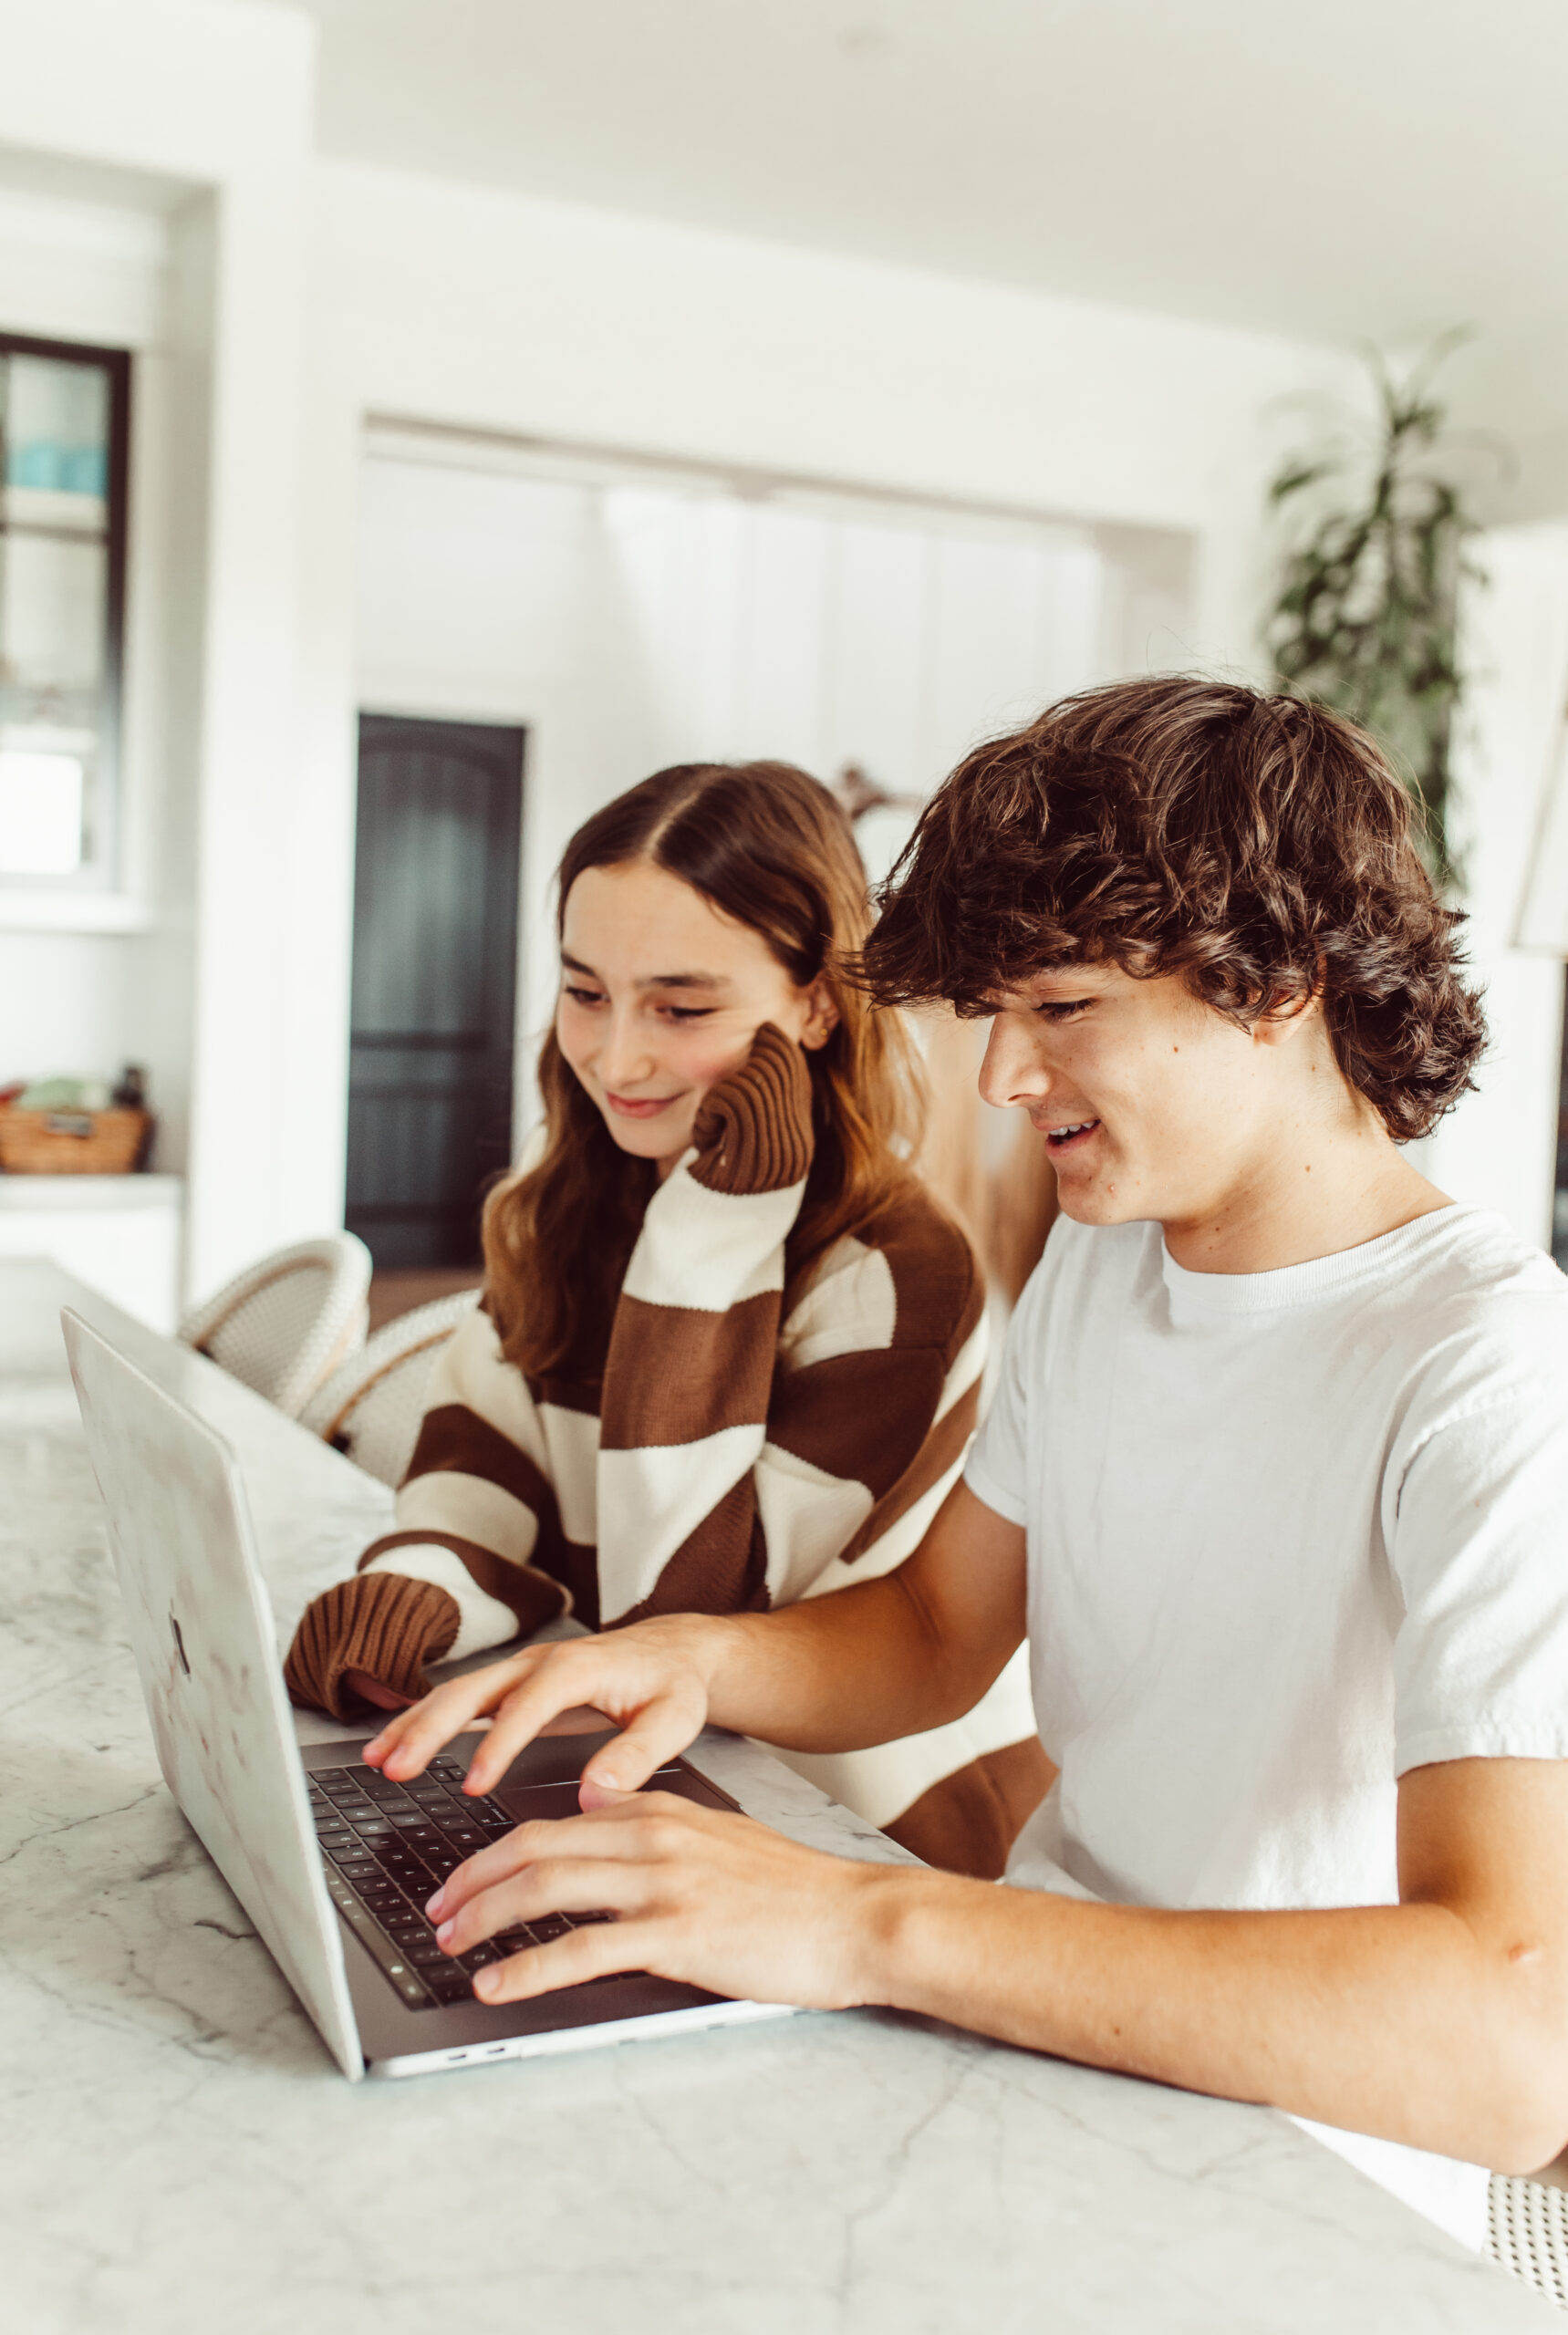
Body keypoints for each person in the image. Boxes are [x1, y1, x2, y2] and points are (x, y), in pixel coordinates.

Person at [358, 680, 1568, 2249]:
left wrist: (860, 1922)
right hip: (1020, 2044)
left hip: (1273, 2185)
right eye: (992, 1016)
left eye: (1057, 1010)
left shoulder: (1485, 1368)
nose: (997, 1082)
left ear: (1278, 984)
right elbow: (933, 1635)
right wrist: (674, 1662)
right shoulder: (1105, 1266)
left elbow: (1506, 2037)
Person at [286, 759, 1047, 1877]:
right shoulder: (572, 1208)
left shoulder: (899, 1279)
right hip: (646, 1779)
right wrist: (426, 1589)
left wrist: (710, 1242)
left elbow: (684, 1613)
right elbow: (486, 1462)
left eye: (682, 1007)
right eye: (585, 991)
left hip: (863, 1833)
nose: (618, 1055)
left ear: (817, 1003)